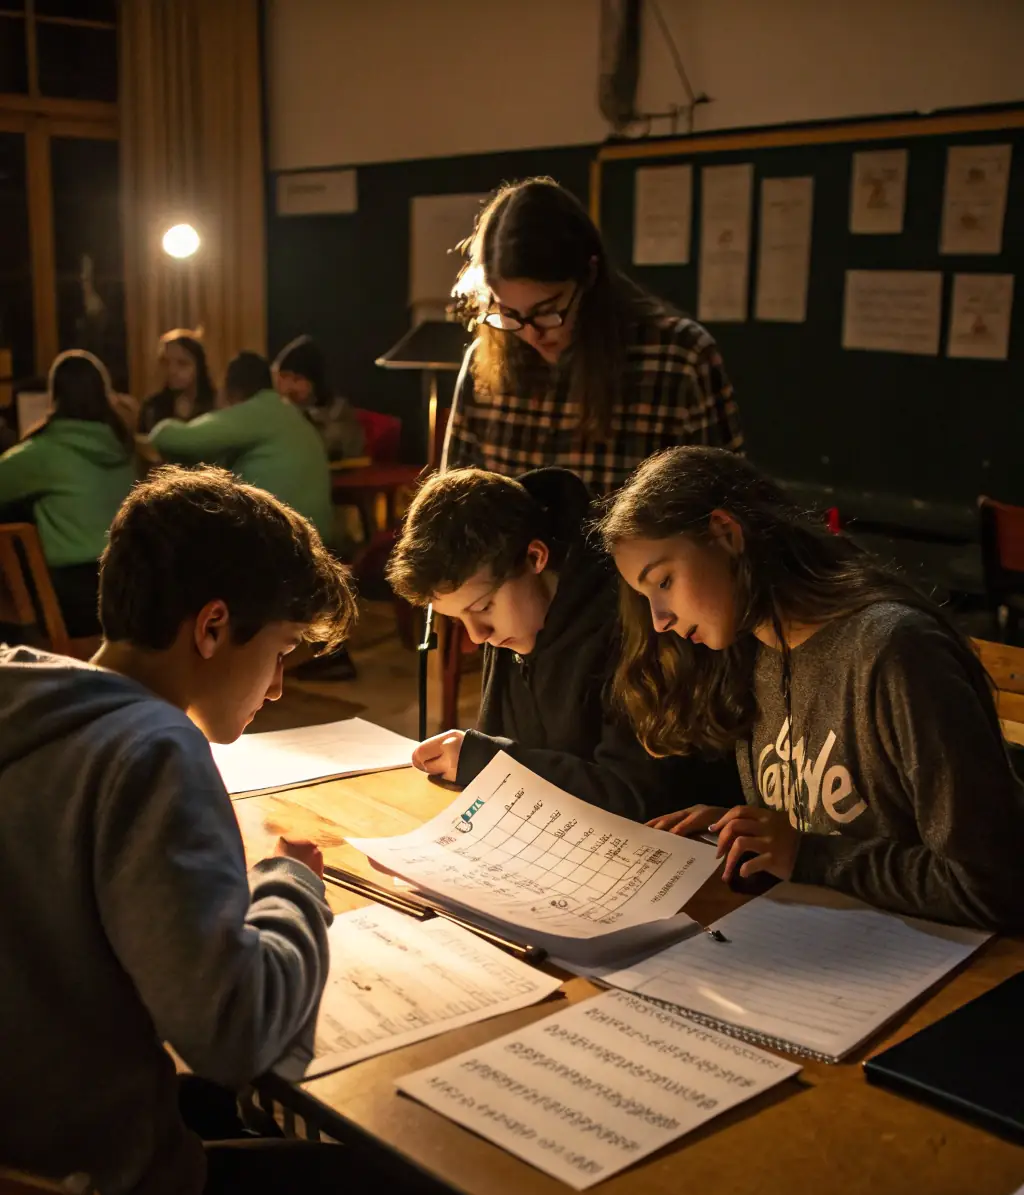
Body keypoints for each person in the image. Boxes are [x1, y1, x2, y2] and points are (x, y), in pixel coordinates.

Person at [0, 466, 451, 1195]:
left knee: (216, 1111)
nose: (278, 685)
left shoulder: (25, 699)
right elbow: (235, 1031)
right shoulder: (151, 748)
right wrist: (290, 883)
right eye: (280, 651)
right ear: (212, 627)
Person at [598, 445, 1024, 931]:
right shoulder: (754, 653)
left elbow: (991, 886)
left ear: (724, 533)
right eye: (646, 596)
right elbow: (814, 836)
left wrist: (806, 854)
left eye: (665, 581)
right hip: (832, 945)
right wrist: (751, 837)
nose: (659, 621)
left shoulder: (894, 651)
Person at [387, 464, 741, 819]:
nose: (478, 635)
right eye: (457, 619)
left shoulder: (636, 618)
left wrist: (490, 762)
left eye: (483, 608)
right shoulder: (514, 625)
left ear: (535, 557)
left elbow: (636, 799)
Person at [445, 176, 743, 498]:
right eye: (510, 313)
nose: (531, 333)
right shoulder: (484, 360)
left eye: (547, 310)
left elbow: (729, 508)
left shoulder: (680, 359)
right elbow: (454, 512)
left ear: (590, 275)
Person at [0, 350, 135, 636]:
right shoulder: (123, 446)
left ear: (55, 396)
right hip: (128, 590)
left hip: (73, 601)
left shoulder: (44, 453)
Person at [149, 350, 334, 543]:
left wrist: (161, 427)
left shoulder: (258, 411)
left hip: (277, 544)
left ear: (232, 391)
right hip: (316, 543)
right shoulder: (290, 415)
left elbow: (172, 438)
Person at [273, 333, 366, 466]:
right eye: (284, 377)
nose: (289, 387)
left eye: (297, 379)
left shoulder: (338, 412)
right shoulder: (278, 409)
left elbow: (330, 448)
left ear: (315, 382)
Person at [139, 328, 217, 434]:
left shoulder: (216, 405)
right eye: (165, 363)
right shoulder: (152, 408)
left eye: (182, 363)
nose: (172, 371)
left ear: (199, 367)